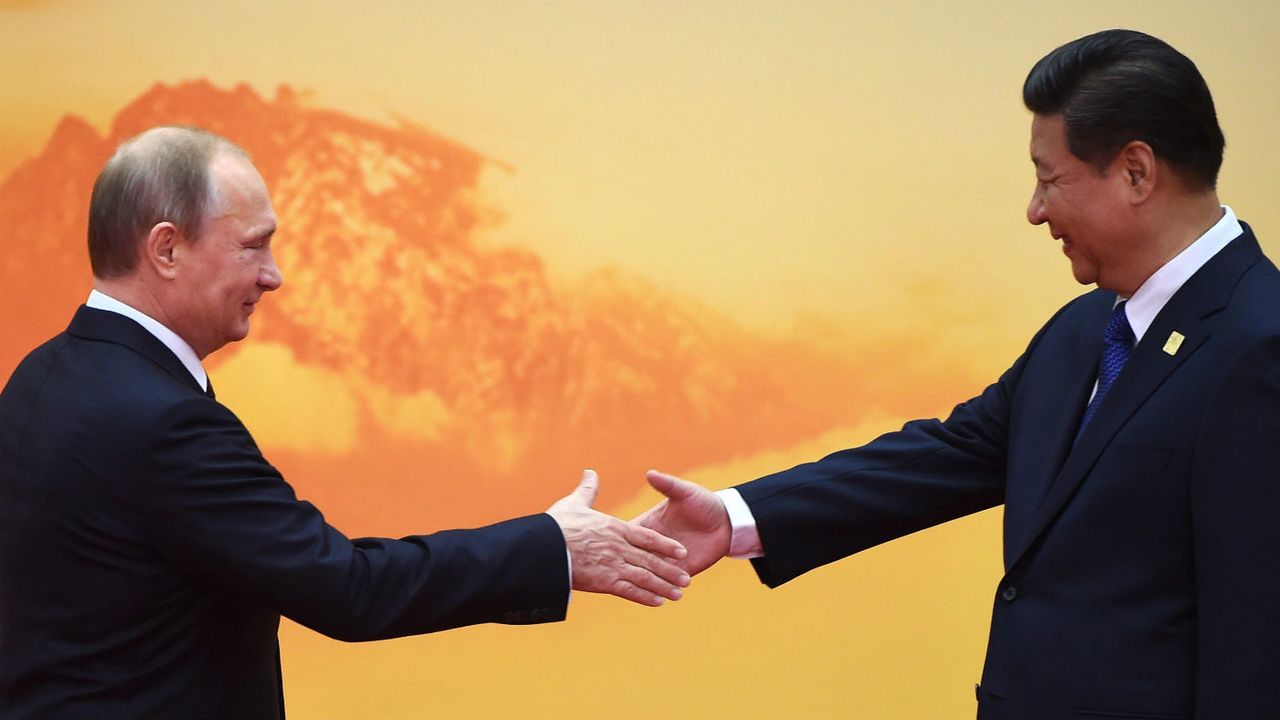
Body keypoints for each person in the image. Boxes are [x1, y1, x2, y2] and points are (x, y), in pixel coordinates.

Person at [637, 29, 1280, 718]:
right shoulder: (1083, 329)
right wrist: (735, 517)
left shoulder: (1258, 347)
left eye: (1049, 179)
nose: (1035, 211)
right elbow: (950, 454)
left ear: (1135, 172)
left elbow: (1255, 644)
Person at [0, 126, 690, 719]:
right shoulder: (165, 424)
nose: (273, 276)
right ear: (167, 249)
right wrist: (554, 547)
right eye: (252, 246)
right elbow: (349, 590)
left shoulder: (41, 377)